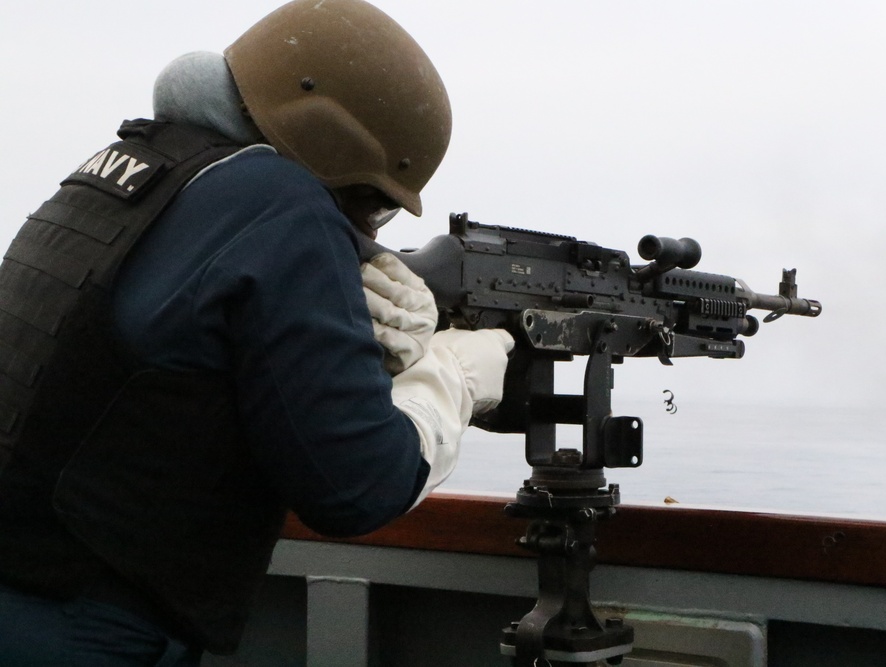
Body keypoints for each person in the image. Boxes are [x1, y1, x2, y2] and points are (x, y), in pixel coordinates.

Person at [0, 0, 513, 664]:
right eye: (375, 199)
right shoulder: (285, 207)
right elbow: (356, 485)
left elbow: (162, 364)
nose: (370, 228)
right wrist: (447, 379)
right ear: (332, 148)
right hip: (85, 627)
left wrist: (340, 331)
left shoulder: (130, 169)